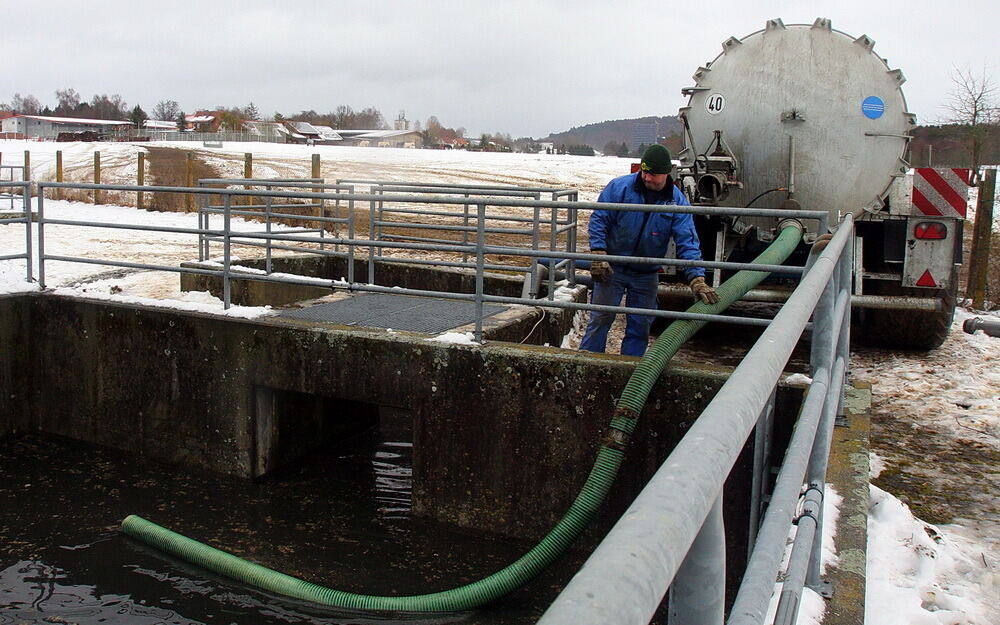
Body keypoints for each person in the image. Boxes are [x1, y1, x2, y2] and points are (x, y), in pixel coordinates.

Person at [579, 144, 719, 357]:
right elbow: (600, 218)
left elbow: (687, 240)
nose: (646, 177)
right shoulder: (620, 188)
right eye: (644, 171)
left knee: (640, 326)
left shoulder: (676, 201)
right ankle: (587, 363)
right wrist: (598, 253)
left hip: (646, 273)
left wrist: (696, 278)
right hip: (613, 267)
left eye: (652, 174)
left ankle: (629, 371)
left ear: (666, 174)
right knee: (600, 318)